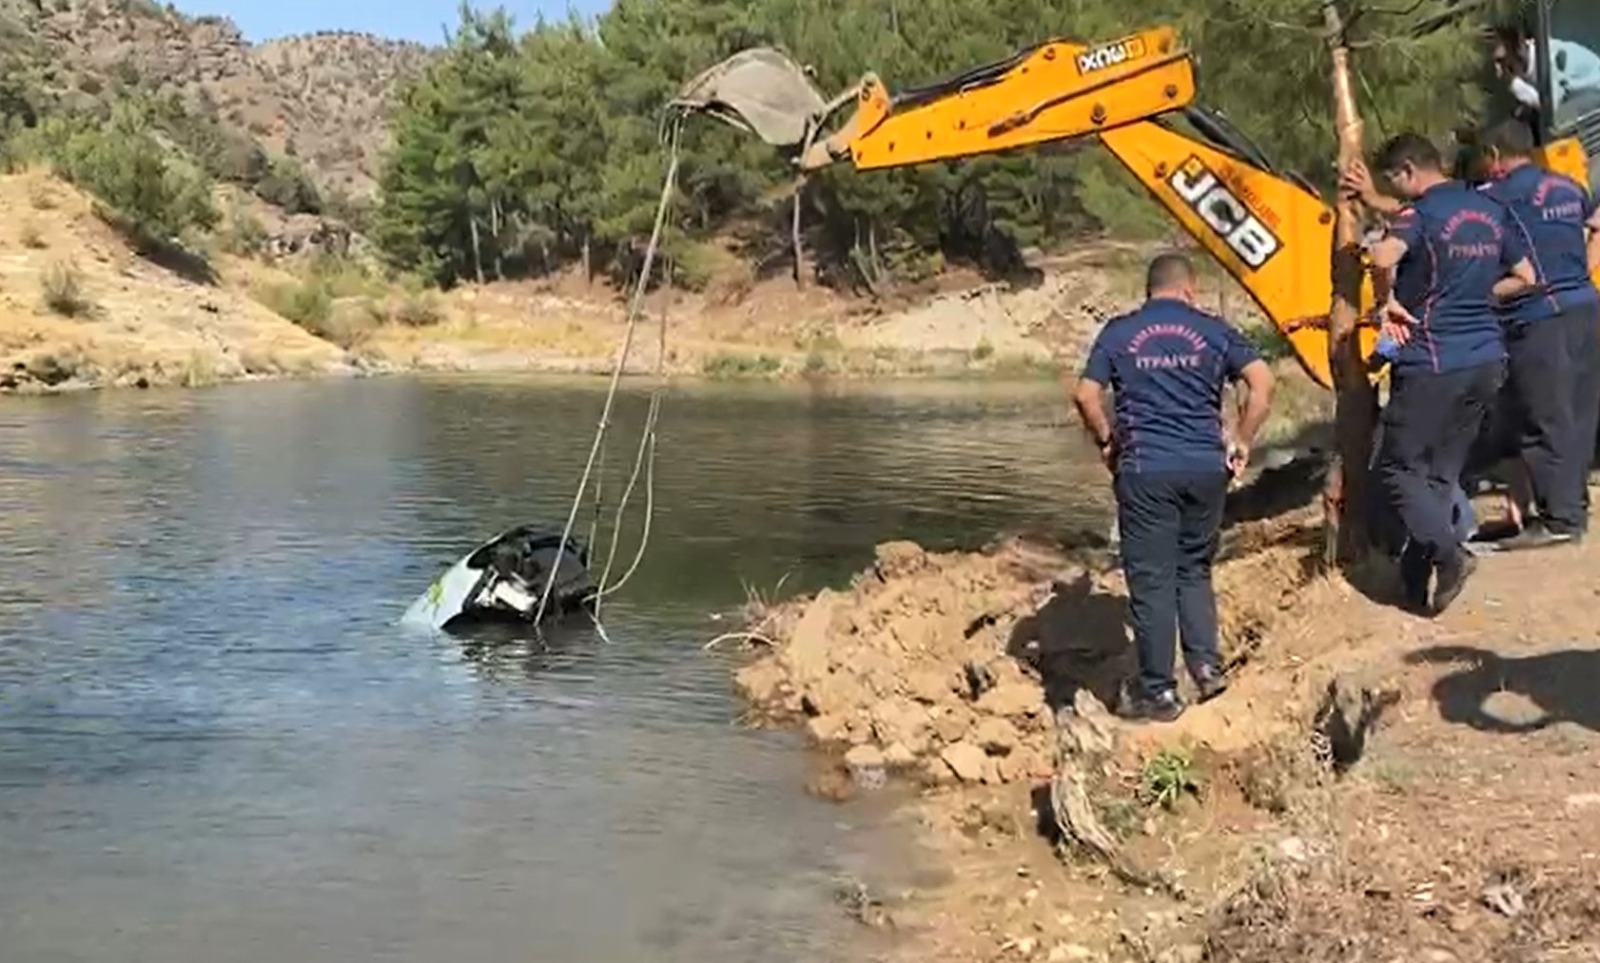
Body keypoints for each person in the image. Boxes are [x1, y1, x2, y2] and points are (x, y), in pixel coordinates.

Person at [1072, 252, 1274, 722]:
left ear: (1149, 291)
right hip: (1206, 467)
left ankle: (1159, 692)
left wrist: (1107, 441)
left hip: (1146, 468)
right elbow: (1263, 384)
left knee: (1151, 579)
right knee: (1193, 569)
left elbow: (1085, 395)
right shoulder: (1214, 330)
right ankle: (1206, 668)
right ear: (1190, 289)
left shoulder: (1120, 331)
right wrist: (1241, 439)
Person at [1341, 132, 1538, 614]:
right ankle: (1414, 580)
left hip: (1434, 361)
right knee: (1437, 475)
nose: (1397, 190)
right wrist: (1475, 299)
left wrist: (1387, 302)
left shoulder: (1420, 215)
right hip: (1486, 360)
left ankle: (1451, 556)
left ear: (1408, 171)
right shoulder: (1490, 211)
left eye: (1394, 180)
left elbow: (1383, 257)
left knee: (1397, 469)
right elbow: (1527, 277)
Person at [1475, 117, 1600, 546]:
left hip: (1538, 316)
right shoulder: (1567, 187)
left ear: (1493, 157)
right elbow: (1597, 224)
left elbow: (1441, 214)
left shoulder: (1495, 196)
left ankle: (1559, 521)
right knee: (1578, 416)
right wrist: (1583, 267)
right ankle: (1571, 510)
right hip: (1584, 308)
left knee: (1540, 416)